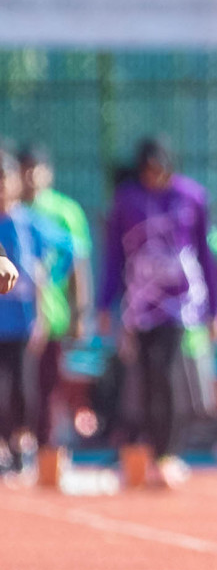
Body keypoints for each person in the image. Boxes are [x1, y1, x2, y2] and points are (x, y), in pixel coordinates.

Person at [97, 138, 217, 488]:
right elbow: (113, 257)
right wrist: (105, 304)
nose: (153, 176)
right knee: (147, 377)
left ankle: (169, 452)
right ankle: (151, 449)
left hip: (179, 304)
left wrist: (216, 309)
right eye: (146, 170)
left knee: (167, 373)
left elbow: (206, 256)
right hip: (141, 303)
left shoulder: (193, 196)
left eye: (158, 169)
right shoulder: (126, 200)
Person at [0, 151, 72, 475]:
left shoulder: (28, 222)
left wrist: (49, 278)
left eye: (5, 180)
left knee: (24, 388)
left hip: (22, 321)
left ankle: (20, 444)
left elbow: (70, 248)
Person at [18, 145, 91, 453]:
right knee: (16, 386)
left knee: (49, 386)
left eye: (39, 167)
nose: (32, 175)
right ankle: (18, 443)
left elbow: (78, 265)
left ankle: (46, 448)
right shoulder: (10, 209)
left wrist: (80, 314)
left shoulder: (65, 212)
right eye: (26, 168)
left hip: (53, 315)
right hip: (14, 319)